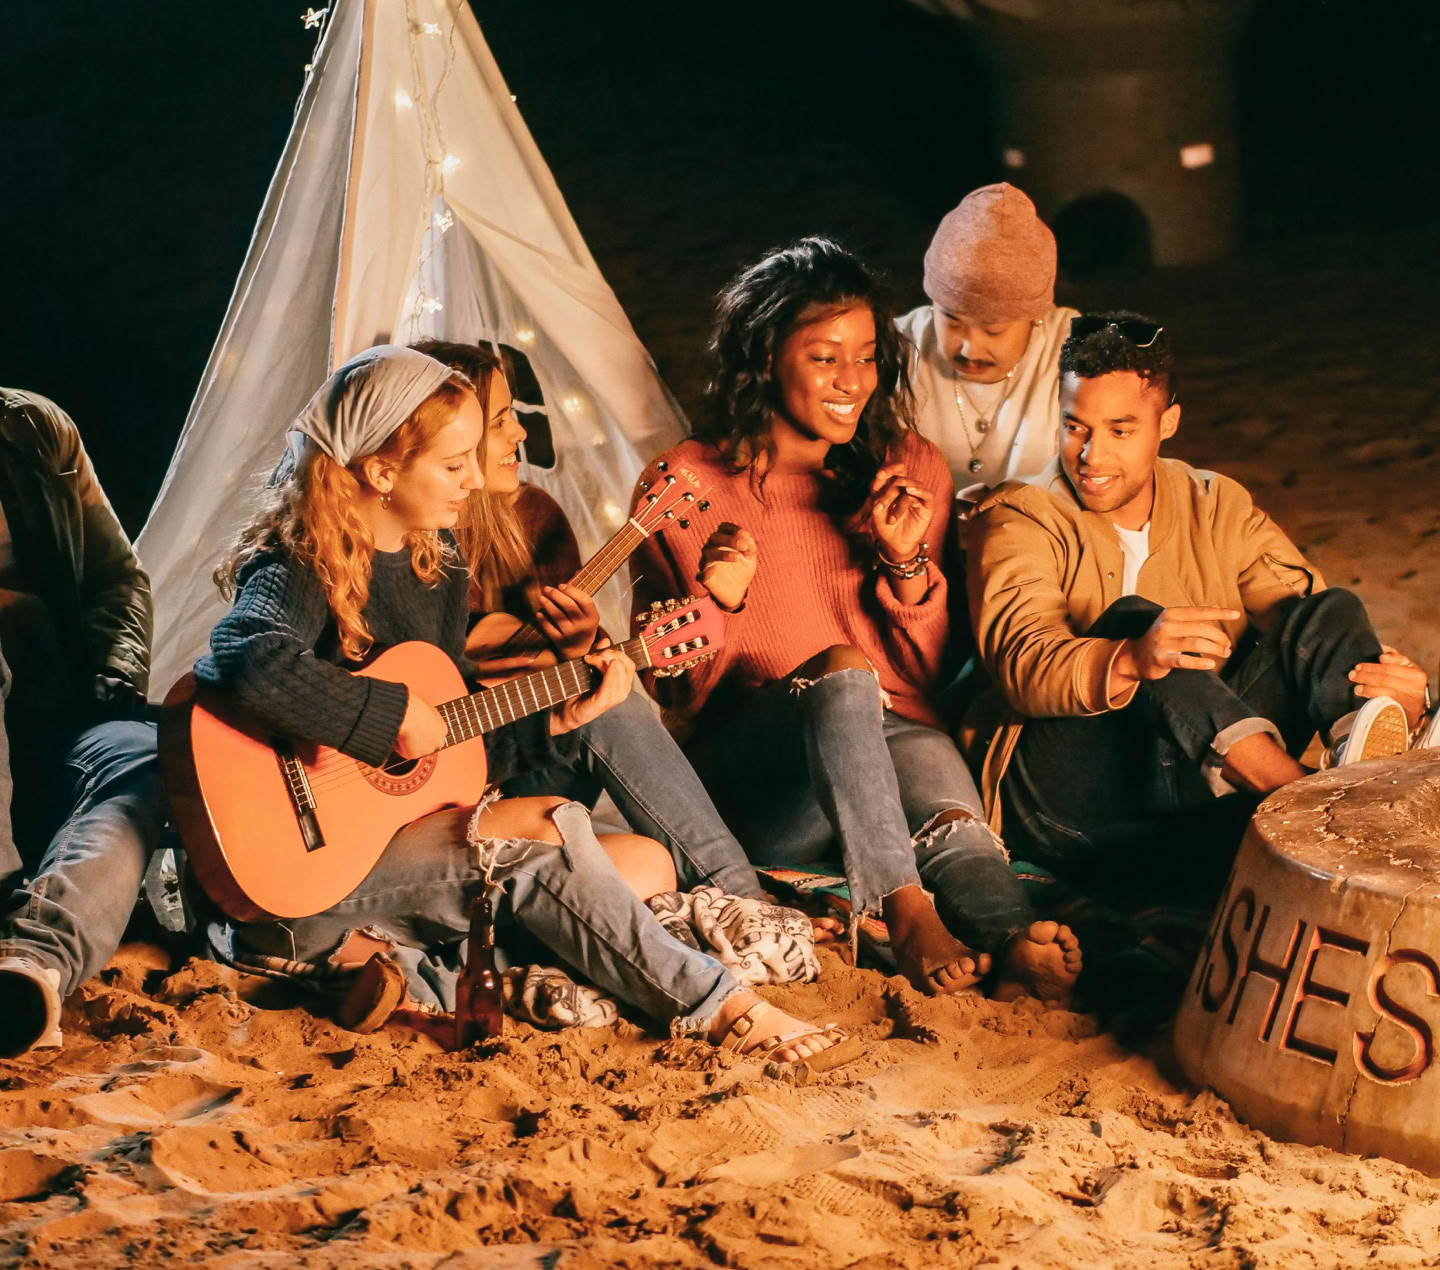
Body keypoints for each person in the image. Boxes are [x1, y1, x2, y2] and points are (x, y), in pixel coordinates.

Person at [196, 343, 848, 1065]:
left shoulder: (437, 567)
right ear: (381, 472)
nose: (475, 478)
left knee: (645, 867)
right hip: (304, 871)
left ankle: (409, 971)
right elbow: (243, 653)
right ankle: (719, 1005)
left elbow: (450, 761)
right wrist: (386, 717)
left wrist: (554, 724)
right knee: (540, 840)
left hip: (394, 844)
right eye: (453, 464)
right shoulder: (301, 561)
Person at [629, 238, 1081, 1005]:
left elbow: (925, 677)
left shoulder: (909, 467)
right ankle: (904, 914)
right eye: (825, 358)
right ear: (766, 356)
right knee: (840, 668)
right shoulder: (686, 485)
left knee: (952, 823)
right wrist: (723, 602)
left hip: (890, 737)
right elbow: (676, 692)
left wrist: (905, 566)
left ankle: (1010, 941)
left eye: (867, 357)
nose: (852, 383)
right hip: (764, 775)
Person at [965, 313, 1438, 893]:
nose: (1090, 455)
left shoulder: (1212, 502)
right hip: (1067, 806)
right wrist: (1134, 656)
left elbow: (1311, 627)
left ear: (1167, 423)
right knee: (1149, 626)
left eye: (1120, 430)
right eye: (1075, 426)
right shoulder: (1020, 515)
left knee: (1328, 609)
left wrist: (1400, 693)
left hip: (1198, 779)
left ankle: (1368, 769)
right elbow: (1023, 664)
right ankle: (1317, 809)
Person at [412, 338, 831, 917]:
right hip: (430, 783)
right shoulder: (402, 549)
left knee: (609, 704)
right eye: (501, 419)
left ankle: (736, 893)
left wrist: (588, 647)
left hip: (518, 758)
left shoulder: (534, 519)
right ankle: (739, 895)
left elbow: (558, 679)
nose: (521, 435)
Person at [0, 387, 166, 1058]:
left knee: (143, 754)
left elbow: (114, 579)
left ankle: (30, 964)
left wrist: (116, 674)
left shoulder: (33, 431)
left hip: (50, 725)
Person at [896, 183, 1078, 492]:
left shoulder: (1071, 350)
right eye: (951, 321)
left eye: (993, 329)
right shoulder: (900, 345)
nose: (970, 347)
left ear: (1036, 316)